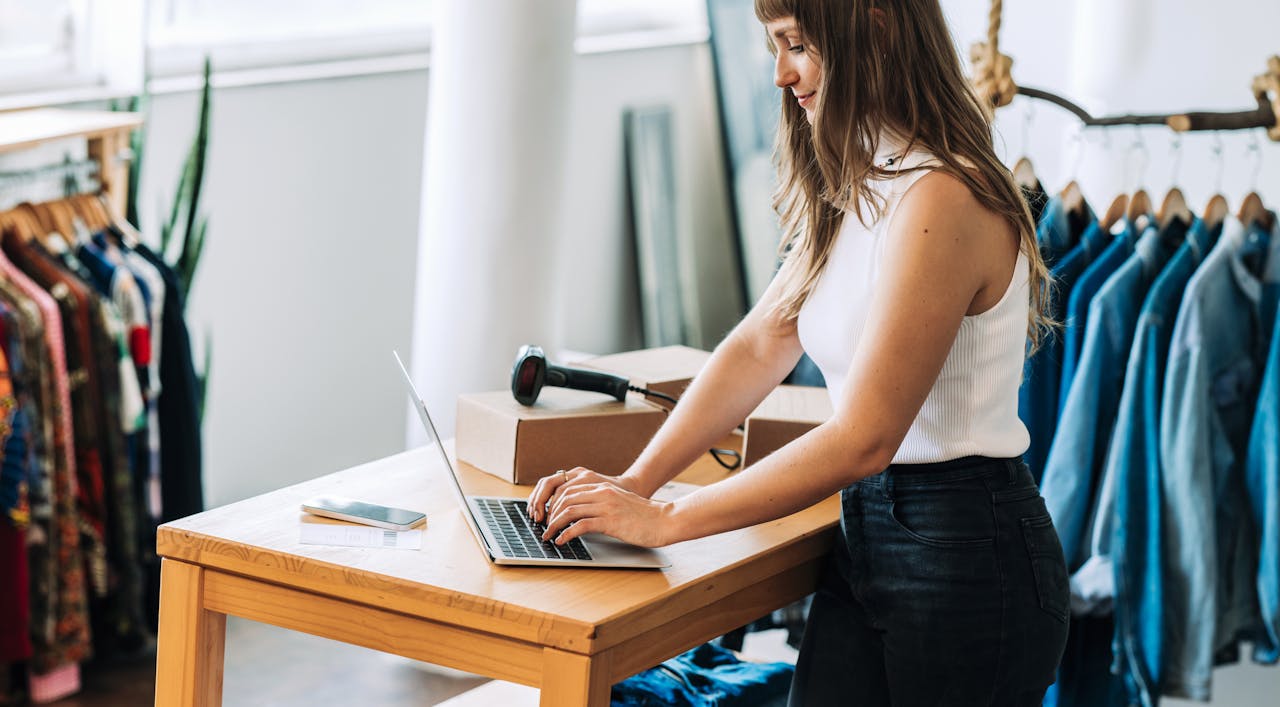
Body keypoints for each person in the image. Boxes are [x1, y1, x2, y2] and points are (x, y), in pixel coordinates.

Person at [529, 0, 1070, 704]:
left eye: (796, 44)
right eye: (774, 45)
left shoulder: (944, 196)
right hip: (868, 529)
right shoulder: (861, 181)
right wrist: (638, 480)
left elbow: (866, 436)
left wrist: (668, 521)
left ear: (872, 27)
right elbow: (761, 342)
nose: (780, 72)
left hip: (968, 552)